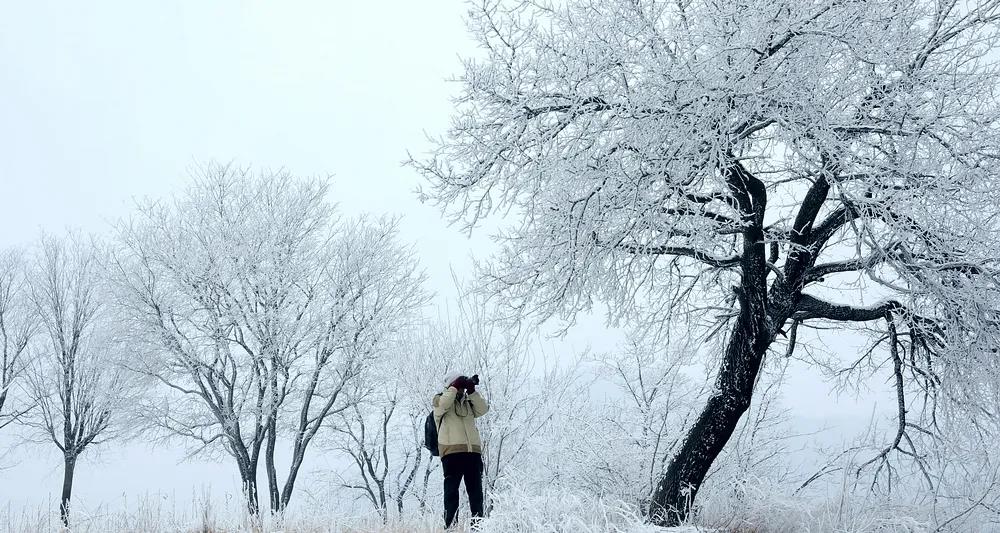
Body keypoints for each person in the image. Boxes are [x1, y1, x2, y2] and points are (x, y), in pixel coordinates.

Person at [433, 373, 489, 529]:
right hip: (452, 453)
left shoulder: (467, 402)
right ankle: (450, 528)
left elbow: (483, 409)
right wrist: (454, 386)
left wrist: (471, 391)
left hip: (472, 453)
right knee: (451, 494)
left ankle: (478, 528)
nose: (461, 389)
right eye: (460, 385)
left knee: (476, 495)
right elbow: (443, 405)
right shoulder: (439, 399)